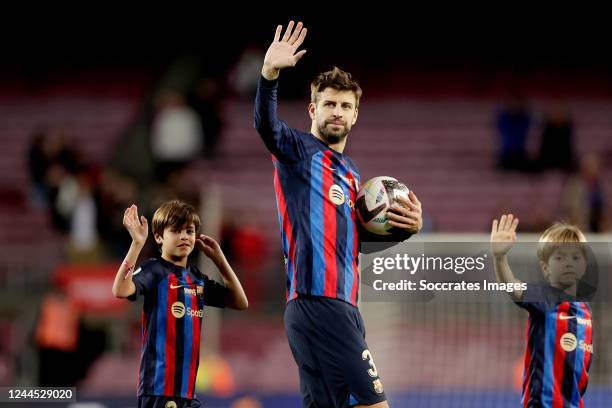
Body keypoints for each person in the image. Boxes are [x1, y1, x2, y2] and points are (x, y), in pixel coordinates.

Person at [254, 21, 423, 408]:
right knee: (375, 404)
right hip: (319, 302)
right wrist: (269, 75)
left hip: (336, 306)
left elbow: (349, 244)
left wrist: (402, 231)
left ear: (355, 116)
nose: (337, 112)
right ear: (313, 109)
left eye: (346, 106)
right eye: (329, 104)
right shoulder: (297, 150)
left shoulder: (350, 172)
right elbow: (265, 125)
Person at [112, 200, 248, 408]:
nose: (184, 236)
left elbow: (239, 302)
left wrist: (220, 260)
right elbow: (120, 290)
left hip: (188, 394)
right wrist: (137, 243)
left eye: (189, 230)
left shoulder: (196, 278)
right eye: (176, 230)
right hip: (159, 390)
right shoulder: (155, 270)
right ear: (159, 237)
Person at [491, 215, 593, 407]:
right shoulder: (545, 298)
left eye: (575, 257)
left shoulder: (585, 310)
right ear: (545, 268)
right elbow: (511, 286)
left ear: (584, 265)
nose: (568, 263)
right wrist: (500, 258)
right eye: (560, 257)